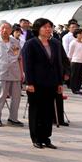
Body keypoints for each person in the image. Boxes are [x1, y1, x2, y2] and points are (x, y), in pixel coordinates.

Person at [21, 18, 64, 149]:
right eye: (45, 27)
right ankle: (36, 138)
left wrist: (59, 82)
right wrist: (29, 83)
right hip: (36, 83)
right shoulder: (30, 44)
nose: (48, 29)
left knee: (48, 111)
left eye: (50, 26)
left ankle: (46, 137)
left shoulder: (55, 43)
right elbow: (27, 65)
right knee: (36, 111)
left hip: (51, 82)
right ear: (38, 29)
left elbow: (58, 64)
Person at [0, 21, 24, 127]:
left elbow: (19, 58)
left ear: (11, 30)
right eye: (2, 28)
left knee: (16, 97)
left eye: (7, 28)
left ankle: (13, 118)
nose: (5, 30)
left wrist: (22, 72)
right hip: (0, 71)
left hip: (15, 72)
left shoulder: (15, 41)